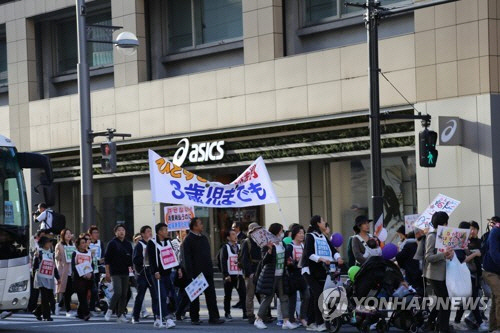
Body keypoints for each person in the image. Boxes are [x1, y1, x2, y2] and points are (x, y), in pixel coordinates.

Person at [254, 223, 299, 330]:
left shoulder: (281, 243)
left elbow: (283, 257)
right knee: (268, 298)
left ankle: (286, 321)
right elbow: (264, 261)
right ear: (277, 231)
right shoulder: (268, 244)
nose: (282, 233)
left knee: (284, 298)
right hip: (271, 275)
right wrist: (269, 251)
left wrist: (287, 261)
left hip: (281, 274)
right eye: (281, 230)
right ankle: (258, 319)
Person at [302, 215, 343, 332]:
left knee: (317, 295)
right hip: (309, 271)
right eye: (323, 221)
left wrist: (338, 257)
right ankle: (319, 323)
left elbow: (333, 250)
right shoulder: (310, 236)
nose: (325, 222)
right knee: (319, 294)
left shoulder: (323, 237)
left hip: (321, 271)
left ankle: (311, 322)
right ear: (318, 224)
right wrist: (321, 259)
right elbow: (308, 253)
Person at [181, 217, 224, 325]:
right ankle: (194, 318)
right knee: (195, 296)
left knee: (211, 295)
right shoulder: (188, 240)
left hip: (207, 271)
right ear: (194, 226)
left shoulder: (204, 238)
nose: (202, 225)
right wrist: (190, 273)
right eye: (200, 224)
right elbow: (186, 259)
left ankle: (214, 317)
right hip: (196, 272)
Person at [451, 221, 488, 331]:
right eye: (469, 229)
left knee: (469, 299)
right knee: (473, 299)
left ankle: (458, 321)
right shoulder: (458, 242)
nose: (471, 232)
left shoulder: (462, 241)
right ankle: (479, 323)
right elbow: (463, 260)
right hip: (466, 275)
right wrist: (475, 254)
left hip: (470, 275)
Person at [424, 211, 454, 333]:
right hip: (435, 275)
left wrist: (450, 254)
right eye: (447, 222)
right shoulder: (432, 236)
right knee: (445, 302)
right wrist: (443, 255)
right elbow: (428, 257)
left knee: (442, 302)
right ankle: (443, 328)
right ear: (444, 223)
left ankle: (431, 324)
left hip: (444, 274)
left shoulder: (445, 236)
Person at [147, 223, 177, 329]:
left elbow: (172, 256)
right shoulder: (152, 243)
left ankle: (158, 316)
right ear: (159, 232)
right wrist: (155, 271)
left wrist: (177, 268)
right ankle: (167, 318)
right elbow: (151, 259)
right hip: (158, 274)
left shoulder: (168, 241)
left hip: (168, 273)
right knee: (162, 296)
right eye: (164, 230)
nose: (166, 232)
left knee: (169, 295)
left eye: (166, 229)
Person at [104, 224, 133, 323]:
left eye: (123, 230)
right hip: (115, 272)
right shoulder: (112, 243)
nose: (121, 232)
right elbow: (107, 259)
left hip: (125, 272)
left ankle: (120, 315)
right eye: (119, 230)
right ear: (115, 232)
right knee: (118, 292)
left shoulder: (128, 244)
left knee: (125, 294)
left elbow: (131, 259)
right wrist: (107, 272)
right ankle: (109, 310)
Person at [132, 225, 160, 326]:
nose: (150, 233)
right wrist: (144, 259)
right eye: (148, 232)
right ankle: (135, 316)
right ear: (142, 234)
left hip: (151, 273)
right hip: (142, 274)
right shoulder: (139, 245)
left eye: (150, 231)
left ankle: (156, 316)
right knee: (140, 296)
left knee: (155, 296)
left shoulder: (153, 244)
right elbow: (135, 260)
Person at [285, 224, 309, 327]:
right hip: (292, 275)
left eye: (303, 233)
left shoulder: (304, 246)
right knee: (292, 299)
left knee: (307, 296)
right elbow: (288, 262)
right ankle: (291, 319)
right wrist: (295, 263)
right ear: (294, 234)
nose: (302, 235)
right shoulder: (290, 246)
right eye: (299, 233)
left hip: (303, 275)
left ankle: (302, 317)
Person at [221, 229, 247, 321]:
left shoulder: (240, 246)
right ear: (228, 237)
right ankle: (227, 313)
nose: (235, 236)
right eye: (232, 234)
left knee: (243, 294)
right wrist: (225, 275)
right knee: (228, 295)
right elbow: (223, 261)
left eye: (235, 234)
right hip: (229, 276)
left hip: (239, 275)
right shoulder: (225, 247)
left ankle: (245, 313)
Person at [33, 236, 60, 321]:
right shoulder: (39, 252)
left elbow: (53, 266)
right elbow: (35, 266)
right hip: (41, 277)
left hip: (49, 277)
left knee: (50, 297)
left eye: (50, 242)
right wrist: (36, 257)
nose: (50, 244)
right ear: (43, 243)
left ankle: (37, 311)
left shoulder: (51, 253)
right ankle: (46, 316)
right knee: (44, 297)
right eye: (48, 242)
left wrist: (58, 277)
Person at [240, 222, 262, 324]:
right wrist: (249, 273)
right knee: (250, 295)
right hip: (251, 271)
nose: (258, 231)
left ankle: (264, 314)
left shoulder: (261, 241)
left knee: (262, 293)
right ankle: (250, 314)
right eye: (256, 230)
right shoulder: (246, 242)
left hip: (260, 270)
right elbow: (244, 259)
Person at [482, 217, 500, 333]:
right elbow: (494, 252)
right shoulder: (495, 231)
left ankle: (493, 326)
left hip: (496, 270)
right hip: (490, 271)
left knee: (495, 298)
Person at [72, 236, 95, 321]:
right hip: (79, 278)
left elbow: (92, 265)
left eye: (85, 242)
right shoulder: (75, 253)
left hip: (88, 278)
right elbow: (73, 266)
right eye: (82, 243)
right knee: (81, 296)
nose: (84, 244)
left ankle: (80, 313)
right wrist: (81, 274)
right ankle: (86, 313)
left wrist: (90, 274)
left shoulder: (89, 253)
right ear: (78, 245)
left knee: (85, 296)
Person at [395, 226, 423, 294]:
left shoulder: (409, 245)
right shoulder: (421, 243)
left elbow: (399, 256)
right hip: (421, 271)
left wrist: (403, 266)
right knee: (420, 289)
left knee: (413, 289)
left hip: (412, 271)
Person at [55, 228, 76, 317]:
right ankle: (68, 310)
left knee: (72, 290)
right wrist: (58, 255)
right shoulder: (59, 245)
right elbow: (57, 258)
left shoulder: (73, 245)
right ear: (63, 236)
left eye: (69, 233)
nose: (68, 235)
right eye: (66, 233)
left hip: (72, 270)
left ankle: (59, 305)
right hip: (64, 270)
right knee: (66, 290)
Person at [28, 230, 48, 314]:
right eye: (42, 235)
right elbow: (32, 252)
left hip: (44, 270)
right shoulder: (33, 242)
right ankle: (32, 306)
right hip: (34, 268)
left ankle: (39, 309)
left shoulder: (47, 246)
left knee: (44, 291)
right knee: (34, 289)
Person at [88, 225, 105, 315]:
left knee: (96, 288)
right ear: (90, 235)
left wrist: (102, 259)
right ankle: (91, 307)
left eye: (97, 233)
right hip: (89, 267)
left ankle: (95, 305)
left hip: (97, 267)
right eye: (94, 233)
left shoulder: (100, 242)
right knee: (92, 288)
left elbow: (103, 253)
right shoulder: (87, 243)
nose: (97, 234)